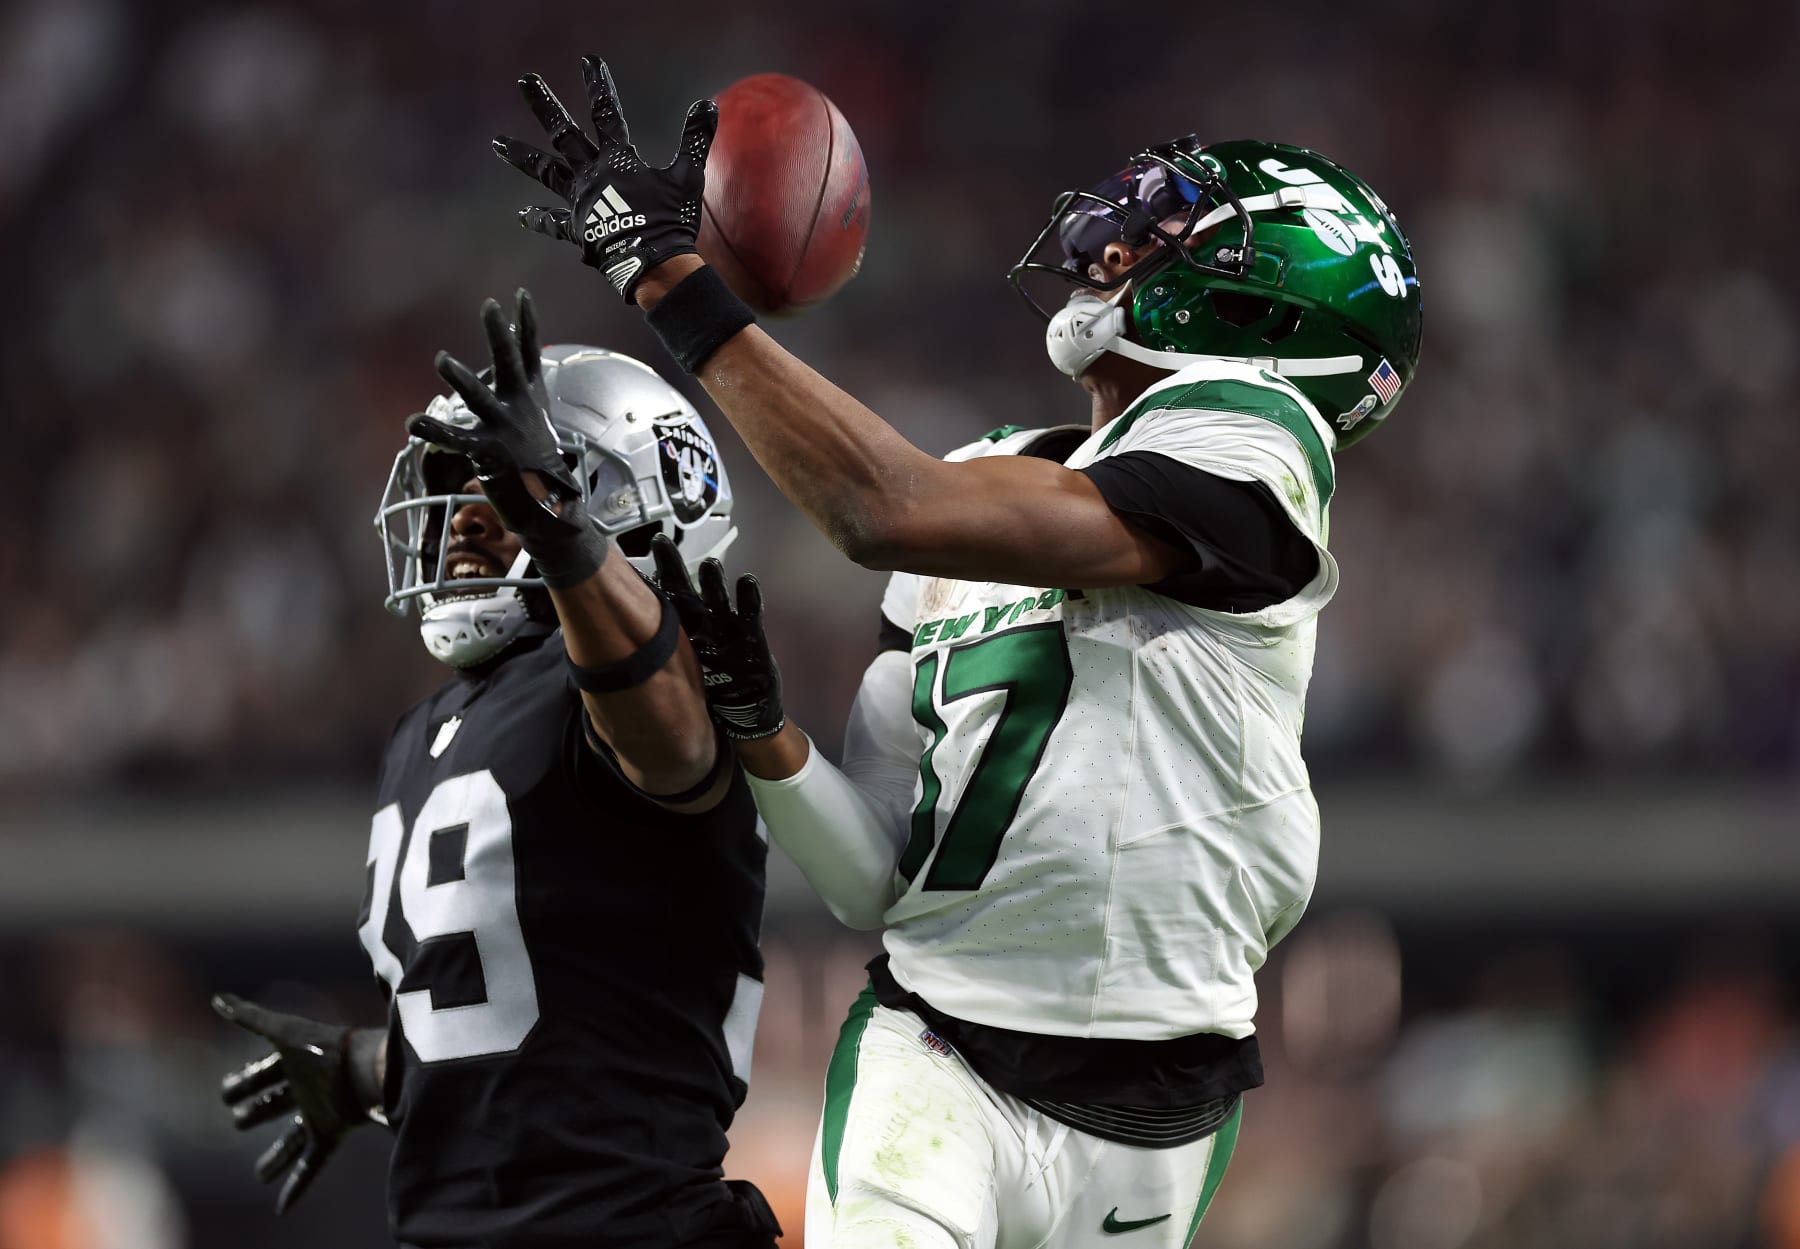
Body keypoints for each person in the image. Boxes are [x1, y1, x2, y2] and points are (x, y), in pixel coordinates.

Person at [493, 59, 1422, 1248]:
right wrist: (768, 733)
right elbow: (874, 884)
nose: (1121, 243)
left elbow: (883, 505)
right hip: (938, 1050)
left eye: (1178, 235)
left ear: (1278, 305)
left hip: (1161, 1101)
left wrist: (665, 273)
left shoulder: (1259, 448)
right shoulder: (988, 478)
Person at [211, 290, 781, 1249]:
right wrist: (368, 1068)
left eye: (501, 488)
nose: (465, 522)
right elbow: (542, 1023)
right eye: (461, 490)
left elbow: (672, 736)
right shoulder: (428, 726)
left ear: (623, 503)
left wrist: (560, 537)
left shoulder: (652, 681)